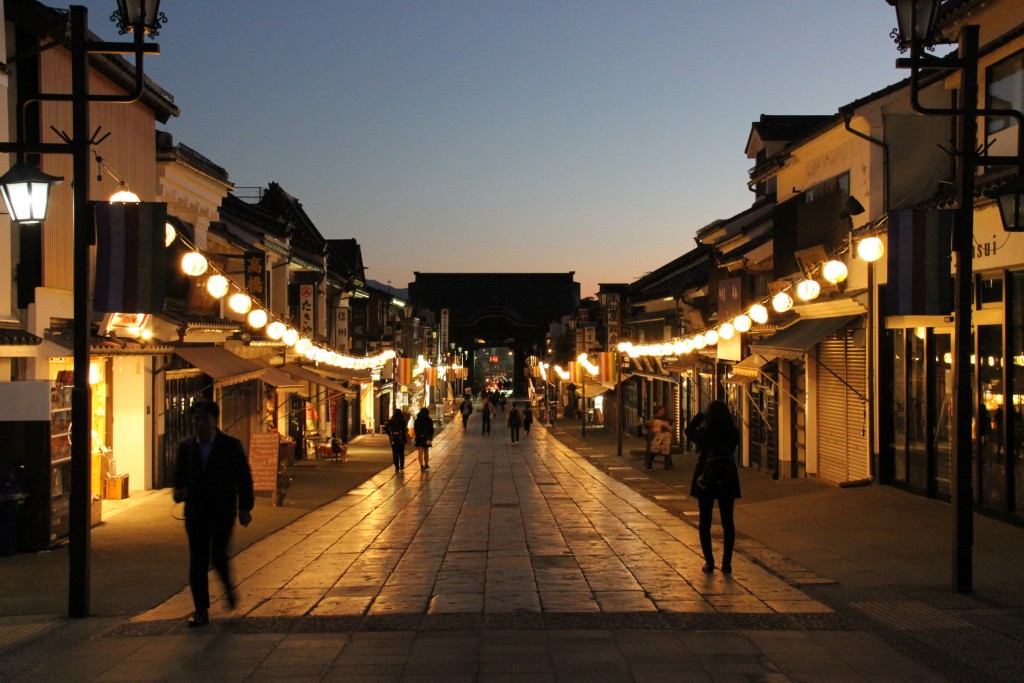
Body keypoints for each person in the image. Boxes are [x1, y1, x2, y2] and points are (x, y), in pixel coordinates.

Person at [172, 399, 254, 627]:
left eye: (204, 419)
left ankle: (228, 588)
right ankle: (201, 609)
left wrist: (244, 508)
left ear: (214, 421)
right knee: (197, 559)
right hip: (196, 511)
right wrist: (179, 492)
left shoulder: (230, 446)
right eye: (196, 419)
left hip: (222, 510)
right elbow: (178, 477)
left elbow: (244, 478)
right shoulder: (186, 447)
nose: (199, 424)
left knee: (218, 554)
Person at [685, 400, 741, 574]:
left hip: (706, 477)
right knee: (728, 522)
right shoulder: (733, 432)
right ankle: (727, 564)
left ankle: (709, 562)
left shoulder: (705, 433)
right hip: (728, 476)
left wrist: (701, 414)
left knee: (705, 522)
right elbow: (732, 448)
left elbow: (688, 430)